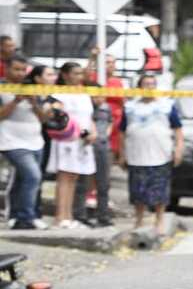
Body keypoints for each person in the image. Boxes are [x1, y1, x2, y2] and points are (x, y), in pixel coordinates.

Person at [120, 74, 183, 231]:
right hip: (137, 155)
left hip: (161, 155)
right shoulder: (130, 107)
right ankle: (139, 220)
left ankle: (159, 220)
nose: (149, 87)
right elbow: (122, 131)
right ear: (140, 88)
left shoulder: (166, 106)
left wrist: (178, 149)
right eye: (146, 84)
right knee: (137, 190)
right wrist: (122, 153)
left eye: (152, 84)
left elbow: (178, 129)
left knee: (160, 190)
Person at [0, 54, 51, 230]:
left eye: (24, 70)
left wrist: (34, 102)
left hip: (36, 141)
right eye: (17, 69)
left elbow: (44, 119)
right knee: (33, 176)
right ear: (6, 68)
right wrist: (16, 100)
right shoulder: (2, 87)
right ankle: (27, 217)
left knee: (23, 179)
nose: (21, 73)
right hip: (10, 141)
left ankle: (15, 215)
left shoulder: (33, 88)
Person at [48, 62, 97, 229]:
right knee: (64, 177)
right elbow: (58, 115)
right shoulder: (60, 94)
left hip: (82, 141)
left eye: (80, 74)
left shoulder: (84, 93)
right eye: (75, 73)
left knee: (74, 177)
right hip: (66, 139)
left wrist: (92, 132)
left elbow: (89, 116)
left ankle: (69, 215)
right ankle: (59, 216)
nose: (79, 77)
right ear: (65, 75)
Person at [73, 90, 115, 228]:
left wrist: (105, 136)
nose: (99, 99)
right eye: (96, 96)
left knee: (103, 183)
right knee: (83, 183)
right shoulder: (84, 108)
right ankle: (80, 215)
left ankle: (103, 215)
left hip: (103, 147)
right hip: (86, 146)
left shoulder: (106, 108)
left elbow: (111, 122)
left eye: (102, 95)